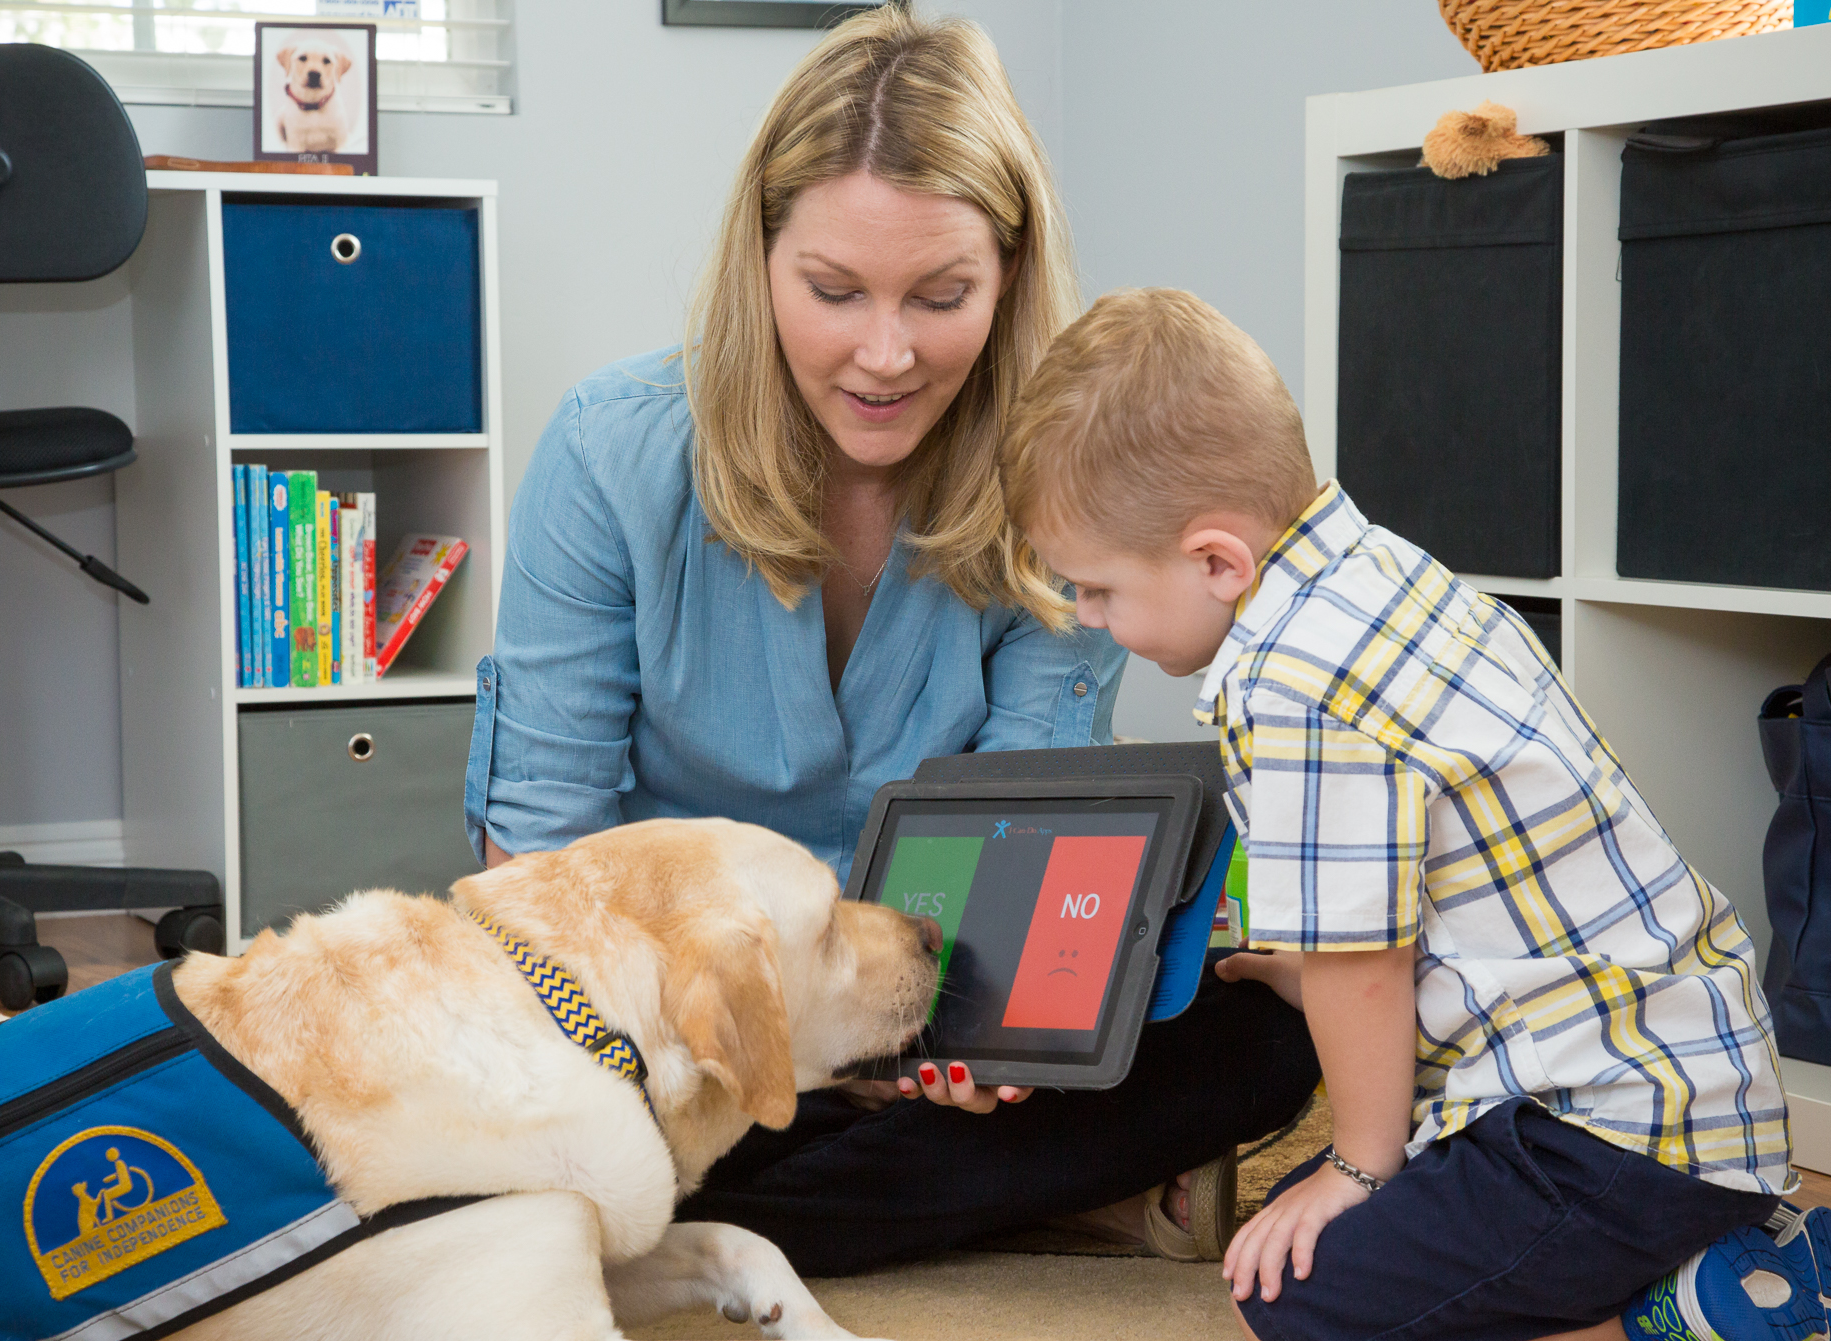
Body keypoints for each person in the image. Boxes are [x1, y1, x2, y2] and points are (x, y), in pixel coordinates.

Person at [463, 9, 1321, 1275]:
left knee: (1267, 1046)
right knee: (504, 1085)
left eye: (941, 296)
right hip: (696, 1029)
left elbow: (1041, 823)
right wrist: (780, 1046)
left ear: (1010, 278)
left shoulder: (1063, 484)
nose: (883, 354)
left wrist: (963, 1041)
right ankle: (955, 1200)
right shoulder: (607, 449)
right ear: (760, 263)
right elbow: (537, 877)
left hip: (936, 1003)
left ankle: (680, 1236)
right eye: (831, 292)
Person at [1000, 286, 1831, 1341]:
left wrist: (1360, 1166)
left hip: (1616, 1140)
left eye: (1096, 588)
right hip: (1669, 1092)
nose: (1086, 616)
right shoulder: (1373, 575)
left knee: (1297, 1320)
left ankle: (1716, 1303)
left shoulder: (1292, 685)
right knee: (1282, 1229)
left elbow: (1362, 962)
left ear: (1217, 562)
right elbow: (1423, 891)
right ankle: (1697, 1246)